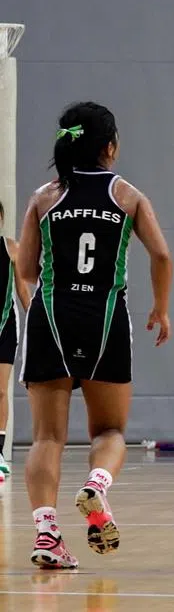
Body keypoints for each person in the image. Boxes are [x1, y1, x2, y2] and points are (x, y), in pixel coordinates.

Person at [16, 101, 174, 569]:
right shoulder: (127, 195)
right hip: (105, 319)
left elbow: (25, 269)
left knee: (47, 438)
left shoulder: (45, 197)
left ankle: (47, 536)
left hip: (51, 317)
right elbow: (162, 256)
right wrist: (161, 308)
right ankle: (96, 485)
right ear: (110, 147)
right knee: (109, 430)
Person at [0, 200, 33, 481]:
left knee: (0, 390)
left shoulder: (12, 248)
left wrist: (38, 320)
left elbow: (23, 290)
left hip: (5, 326)